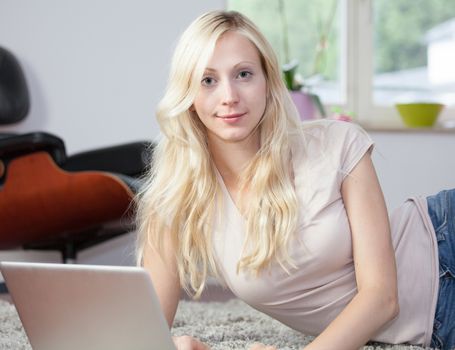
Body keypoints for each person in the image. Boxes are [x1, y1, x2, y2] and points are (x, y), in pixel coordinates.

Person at [135, 10, 454, 350]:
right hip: (436, 325)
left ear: (268, 83)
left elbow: (382, 298)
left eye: (243, 74)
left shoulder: (337, 143)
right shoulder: (174, 198)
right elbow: (143, 336)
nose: (229, 95)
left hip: (443, 237)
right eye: (208, 80)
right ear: (188, 95)